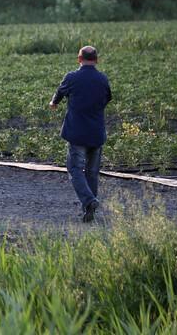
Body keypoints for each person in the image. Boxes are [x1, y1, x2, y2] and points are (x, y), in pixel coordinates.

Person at [49, 46, 112, 223]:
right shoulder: (102, 79)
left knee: (75, 169)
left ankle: (89, 201)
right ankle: (89, 209)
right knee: (92, 172)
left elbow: (60, 92)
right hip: (96, 132)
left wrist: (54, 103)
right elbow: (107, 98)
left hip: (77, 133)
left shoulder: (72, 77)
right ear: (96, 60)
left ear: (79, 59)